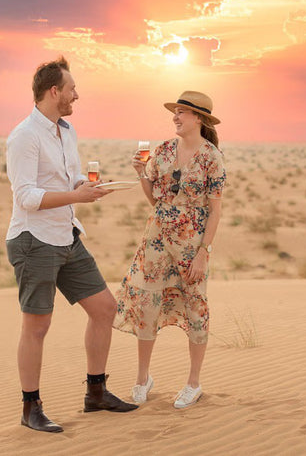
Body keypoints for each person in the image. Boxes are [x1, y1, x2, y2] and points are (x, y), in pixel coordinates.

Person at [5, 57, 138, 433]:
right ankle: (31, 408)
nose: (76, 94)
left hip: (67, 236)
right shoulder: (24, 136)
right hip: (34, 241)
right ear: (54, 91)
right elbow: (27, 197)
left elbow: (70, 177)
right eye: (72, 88)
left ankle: (96, 393)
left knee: (105, 309)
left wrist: (90, 187)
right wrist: (76, 197)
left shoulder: (67, 131)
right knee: (37, 326)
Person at [113, 91, 226, 409]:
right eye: (175, 112)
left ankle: (193, 383)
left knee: (195, 308)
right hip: (156, 240)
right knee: (148, 303)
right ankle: (142, 378)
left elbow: (215, 211)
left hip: (192, 246)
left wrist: (204, 252)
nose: (176, 117)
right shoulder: (162, 151)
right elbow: (156, 200)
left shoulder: (211, 157)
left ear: (199, 119)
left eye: (182, 112)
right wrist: (140, 173)